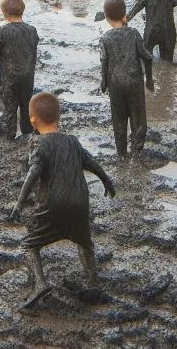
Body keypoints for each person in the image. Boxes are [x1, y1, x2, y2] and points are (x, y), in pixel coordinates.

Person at [11, 91, 115, 308]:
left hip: (52, 205)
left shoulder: (39, 144)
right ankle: (93, 283)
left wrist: (20, 202)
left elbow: (34, 172)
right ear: (59, 118)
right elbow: (92, 162)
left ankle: (40, 284)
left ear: (32, 121)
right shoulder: (73, 142)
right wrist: (107, 181)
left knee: (29, 245)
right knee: (84, 243)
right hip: (79, 203)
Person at [99, 0, 154, 158]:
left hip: (115, 84)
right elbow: (147, 57)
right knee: (138, 118)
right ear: (125, 15)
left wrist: (104, 83)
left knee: (119, 119)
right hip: (134, 81)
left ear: (107, 18)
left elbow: (104, 63)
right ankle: (137, 151)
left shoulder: (105, 38)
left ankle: (121, 153)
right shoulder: (134, 33)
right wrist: (149, 80)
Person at [0, 0, 39, 139]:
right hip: (28, 76)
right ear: (22, 11)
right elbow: (34, 48)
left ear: (5, 14)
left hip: (10, 77)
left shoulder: (3, 32)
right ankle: (27, 133)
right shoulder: (32, 30)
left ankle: (10, 135)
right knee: (26, 106)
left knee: (10, 108)